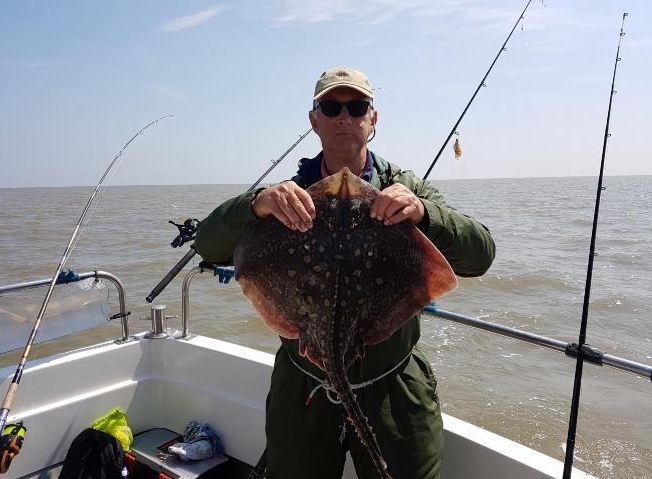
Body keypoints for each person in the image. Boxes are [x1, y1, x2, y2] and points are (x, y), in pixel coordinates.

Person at [194, 66, 495, 479]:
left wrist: (426, 215)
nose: (344, 117)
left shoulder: (407, 188)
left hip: (394, 384)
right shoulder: (287, 195)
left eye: (356, 107)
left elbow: (481, 256)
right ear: (314, 120)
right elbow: (208, 245)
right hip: (303, 384)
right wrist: (254, 205)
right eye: (331, 107)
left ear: (373, 120)